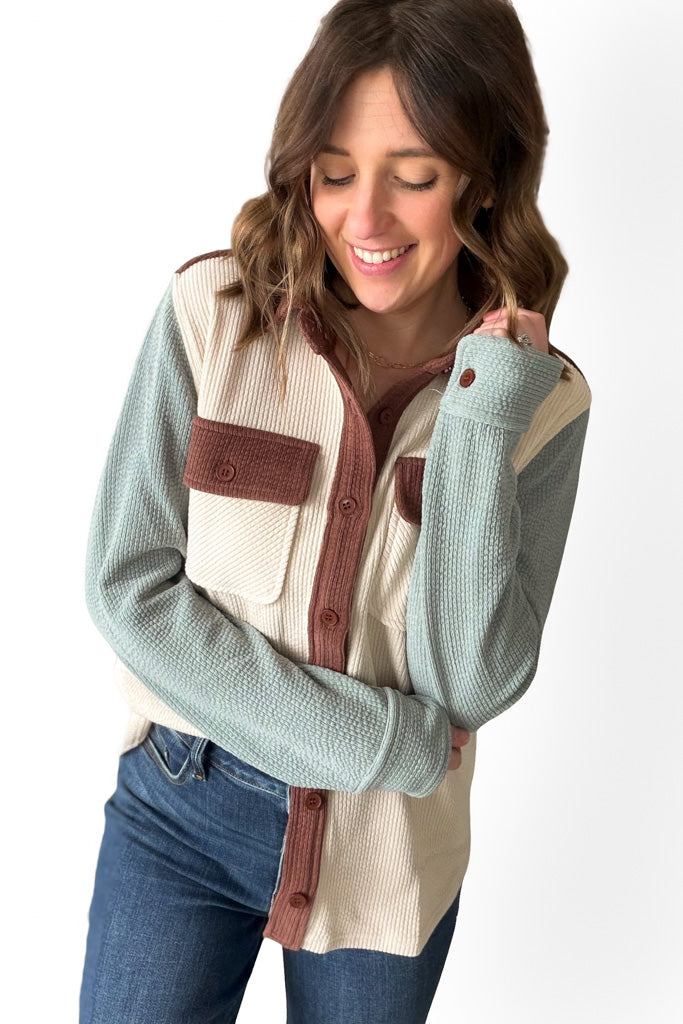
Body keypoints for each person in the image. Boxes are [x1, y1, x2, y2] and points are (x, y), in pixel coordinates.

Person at [79, 0, 591, 1021]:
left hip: (387, 851)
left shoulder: (541, 403)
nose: (365, 219)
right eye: (333, 172)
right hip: (182, 806)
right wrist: (379, 739)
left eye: (413, 176)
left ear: (483, 178)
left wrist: (480, 413)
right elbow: (127, 590)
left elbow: (471, 682)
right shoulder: (209, 317)